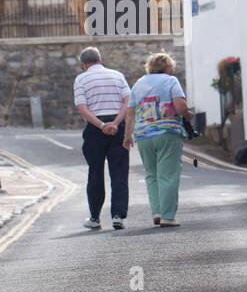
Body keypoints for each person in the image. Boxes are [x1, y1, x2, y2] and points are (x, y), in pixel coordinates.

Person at [123, 52, 191, 228]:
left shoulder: (138, 84)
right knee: (167, 175)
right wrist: (188, 114)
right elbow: (180, 106)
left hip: (144, 136)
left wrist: (127, 136)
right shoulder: (170, 81)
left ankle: (158, 212)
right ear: (167, 67)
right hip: (167, 132)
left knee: (151, 175)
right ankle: (168, 216)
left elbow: (130, 113)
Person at [73, 46, 131, 230]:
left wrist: (102, 126)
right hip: (118, 127)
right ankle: (117, 216)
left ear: (83, 64)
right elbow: (128, 103)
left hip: (95, 129)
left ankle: (95, 218)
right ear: (100, 59)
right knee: (119, 173)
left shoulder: (81, 79)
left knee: (95, 173)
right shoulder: (118, 75)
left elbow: (82, 109)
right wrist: (115, 123)